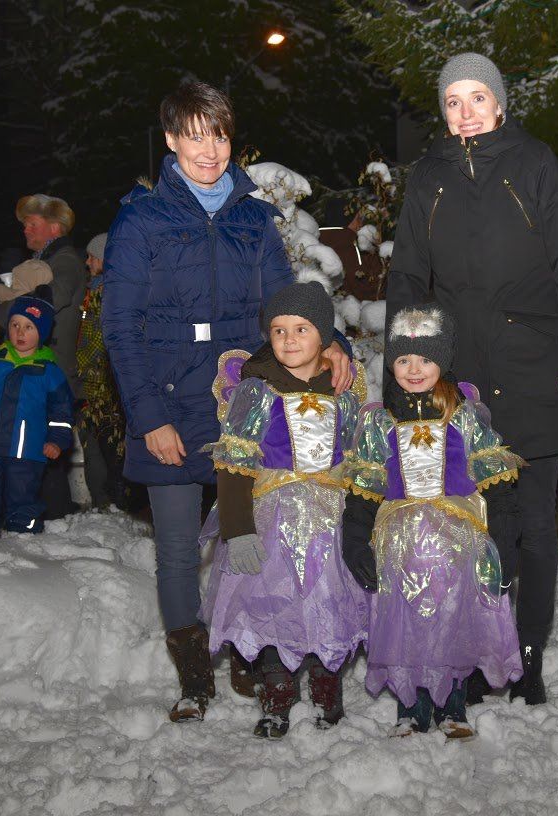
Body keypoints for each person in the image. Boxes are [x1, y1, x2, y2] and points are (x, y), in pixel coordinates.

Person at [101, 81, 353, 722]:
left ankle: (252, 652)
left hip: (248, 402)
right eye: (194, 135)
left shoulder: (253, 218)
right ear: (170, 140)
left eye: (218, 135)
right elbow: (120, 326)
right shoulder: (141, 220)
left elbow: (285, 303)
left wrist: (334, 341)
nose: (209, 150)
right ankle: (194, 679)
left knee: (255, 535)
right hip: (169, 400)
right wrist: (148, 417)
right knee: (179, 547)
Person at [385, 53, 558, 705]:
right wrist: (404, 364)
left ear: (499, 103)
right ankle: (477, 655)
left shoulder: (534, 163)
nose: (467, 111)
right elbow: (406, 276)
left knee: (533, 522)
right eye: (453, 101)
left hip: (536, 366)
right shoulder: (430, 176)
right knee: (470, 524)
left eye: (478, 97)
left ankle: (527, 657)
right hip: (462, 376)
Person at [343, 305, 523, 738]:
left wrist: (505, 543)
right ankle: (410, 707)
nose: (413, 369)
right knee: (404, 622)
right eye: (403, 360)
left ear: (442, 361)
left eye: (425, 359)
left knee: (452, 619)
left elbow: (497, 485)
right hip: (399, 548)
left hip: (456, 547)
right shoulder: (380, 422)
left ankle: (453, 706)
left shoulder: (464, 416)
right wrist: (355, 539)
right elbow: (364, 490)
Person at [199, 281, 367, 735]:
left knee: (329, 602)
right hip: (272, 519)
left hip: (330, 522)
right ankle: (276, 695)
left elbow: (357, 461)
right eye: (278, 331)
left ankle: (327, 690)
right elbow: (233, 463)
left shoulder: (343, 392)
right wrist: (238, 529)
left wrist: (363, 526)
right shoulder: (256, 392)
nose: (289, 340)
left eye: (301, 329)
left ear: (325, 337)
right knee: (270, 604)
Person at [0, 293, 74, 539]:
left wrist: (57, 440)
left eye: (29, 327)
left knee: (23, 495)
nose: (20, 332)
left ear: (42, 333)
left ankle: (23, 538)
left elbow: (61, 413)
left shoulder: (50, 372)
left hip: (27, 450)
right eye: (15, 324)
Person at [16, 194, 85, 520]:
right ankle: (47, 514)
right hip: (43, 369)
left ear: (54, 228)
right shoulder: (47, 260)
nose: (26, 230)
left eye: (32, 224)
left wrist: (12, 305)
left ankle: (53, 516)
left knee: (47, 447)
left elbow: (51, 300)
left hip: (53, 372)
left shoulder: (65, 260)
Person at [75, 233, 128, 509]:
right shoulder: (93, 290)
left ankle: (119, 499)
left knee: (111, 445)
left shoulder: (106, 293)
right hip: (96, 382)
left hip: (101, 383)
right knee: (100, 443)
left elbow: (97, 339)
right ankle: (108, 499)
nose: (87, 262)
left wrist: (82, 367)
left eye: (92, 257)